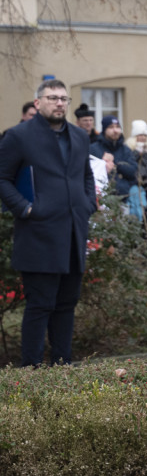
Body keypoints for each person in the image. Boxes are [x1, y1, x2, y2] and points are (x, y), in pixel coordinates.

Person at [0, 80, 97, 366]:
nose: (59, 103)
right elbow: (2, 178)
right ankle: (30, 370)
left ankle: (62, 367)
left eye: (63, 98)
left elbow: (86, 176)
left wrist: (87, 204)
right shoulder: (18, 136)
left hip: (74, 233)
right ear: (38, 102)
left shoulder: (80, 136)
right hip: (38, 234)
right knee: (40, 305)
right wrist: (26, 209)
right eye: (52, 98)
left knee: (67, 305)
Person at [89, 116, 137, 198]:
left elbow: (133, 171)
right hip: (100, 198)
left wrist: (116, 163)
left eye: (117, 127)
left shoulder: (125, 150)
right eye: (111, 127)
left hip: (123, 197)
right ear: (104, 130)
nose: (115, 130)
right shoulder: (93, 149)